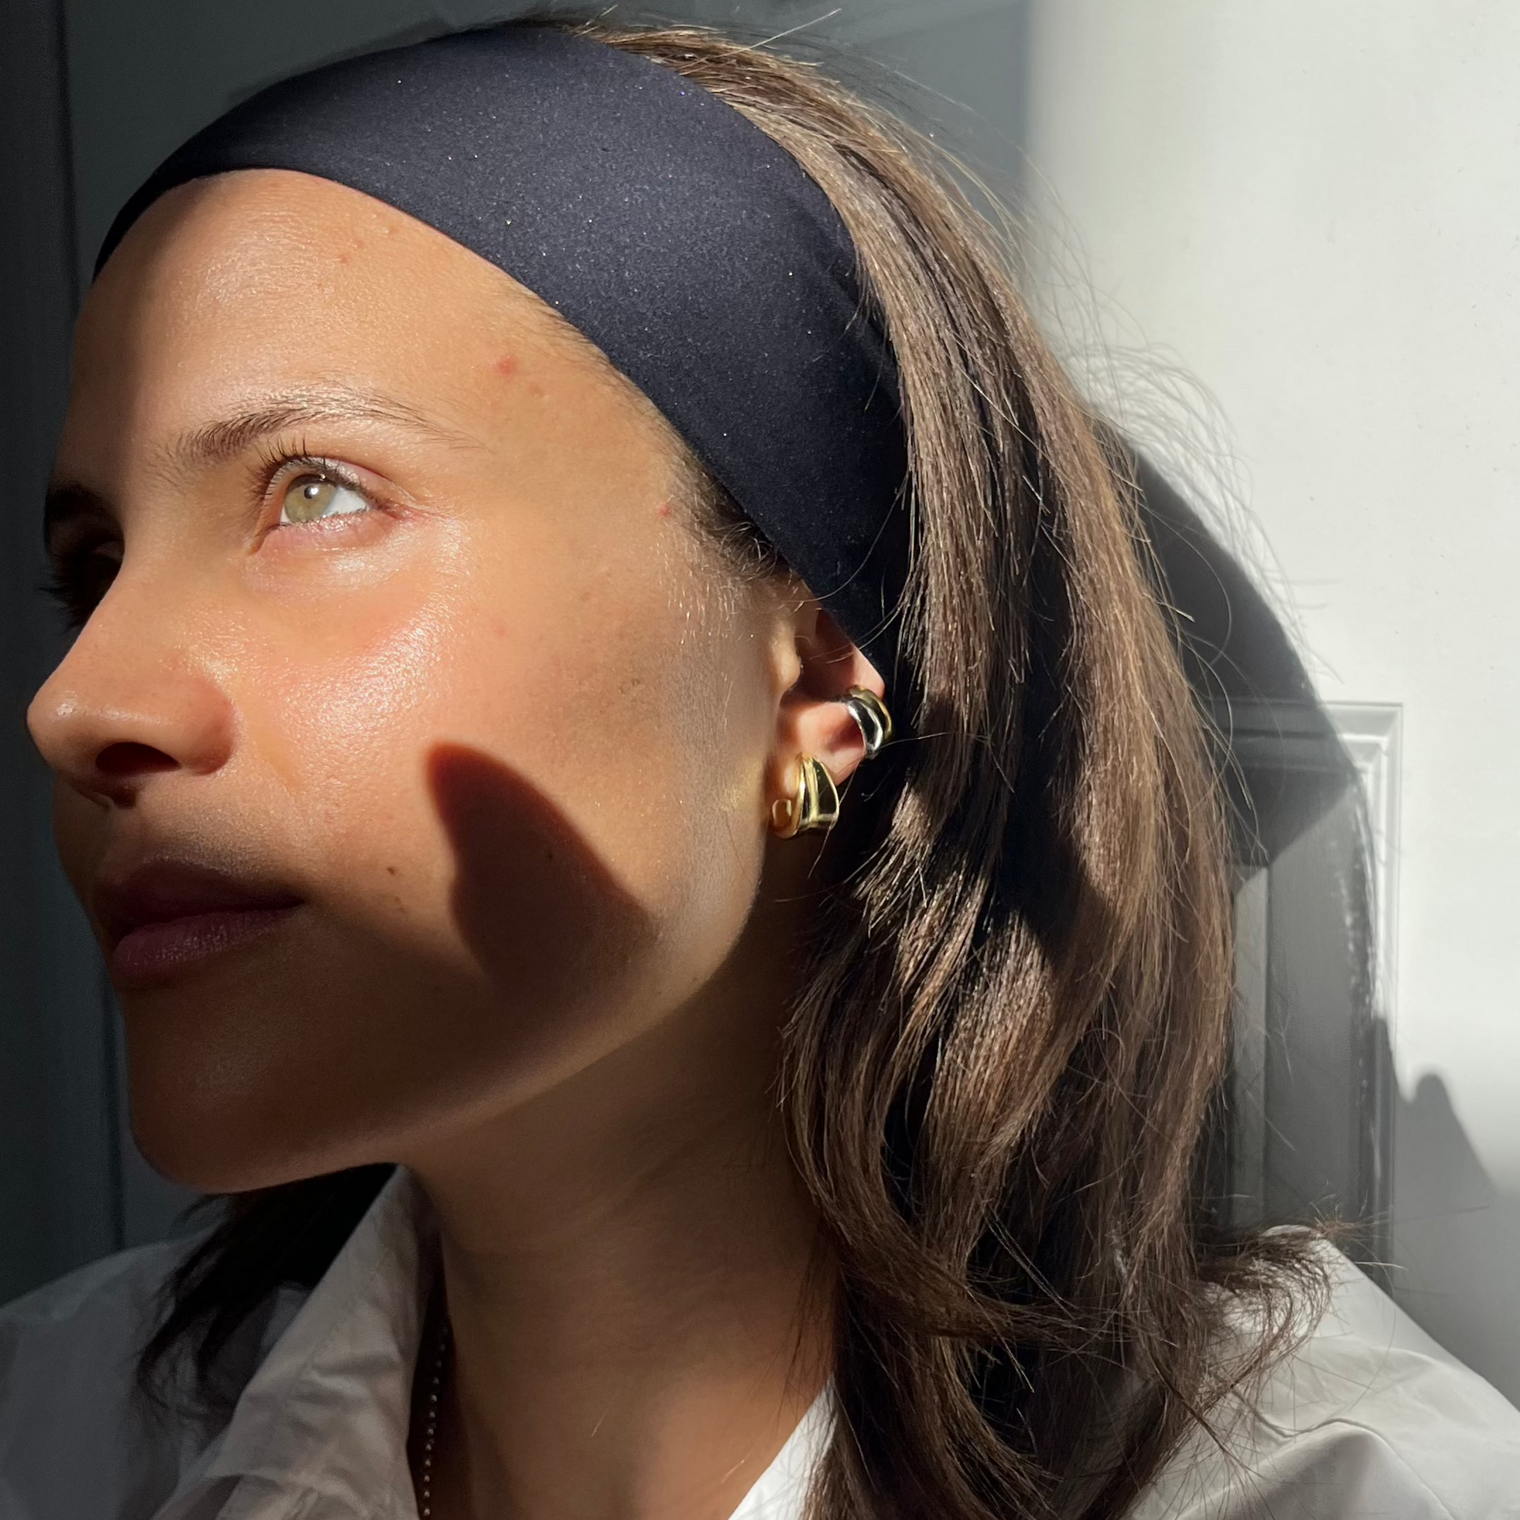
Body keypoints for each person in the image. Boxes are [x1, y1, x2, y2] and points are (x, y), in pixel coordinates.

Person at [0, 16, 1516, 1520]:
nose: (75, 704)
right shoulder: (54, 1432)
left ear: (814, 683)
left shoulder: (1338, 1496)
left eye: (317, 493)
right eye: (95, 566)